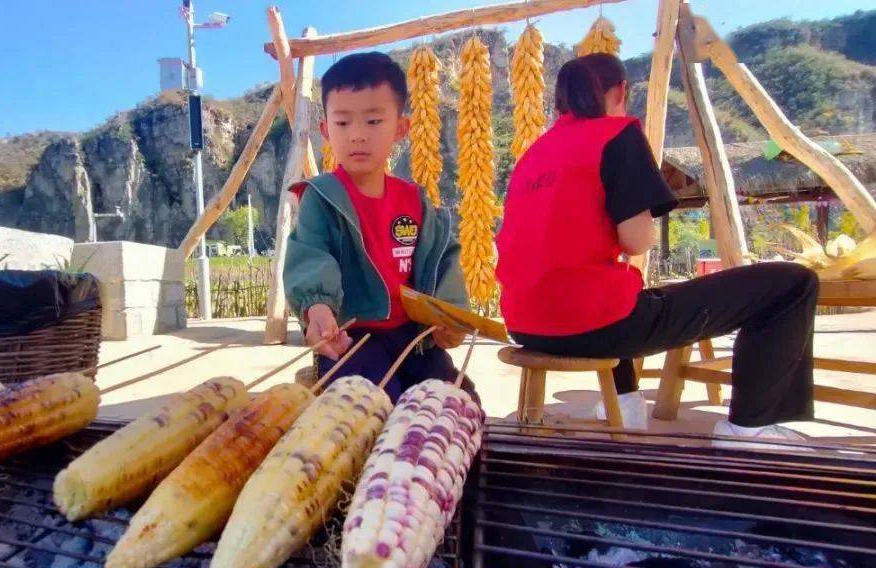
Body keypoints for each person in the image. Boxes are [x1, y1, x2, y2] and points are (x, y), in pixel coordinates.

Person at [495, 53, 818, 448]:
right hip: (593, 326)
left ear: (561, 101)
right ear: (621, 92)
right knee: (792, 284)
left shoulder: (532, 155)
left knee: (610, 282)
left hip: (525, 323)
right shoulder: (617, 134)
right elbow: (637, 240)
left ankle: (627, 402)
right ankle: (749, 427)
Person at [283, 52, 478, 404]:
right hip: (351, 337)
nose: (357, 135)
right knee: (376, 404)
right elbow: (311, 254)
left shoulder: (414, 200)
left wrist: (450, 319)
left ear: (400, 129)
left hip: (413, 338)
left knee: (455, 402)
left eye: (373, 121)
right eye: (343, 124)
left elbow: (443, 257)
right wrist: (318, 309)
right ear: (326, 130)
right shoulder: (322, 198)